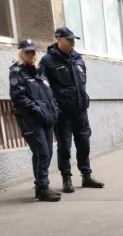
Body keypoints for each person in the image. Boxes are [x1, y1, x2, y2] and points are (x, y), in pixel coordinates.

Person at [40, 27, 105, 193]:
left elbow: (82, 82)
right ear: (58, 39)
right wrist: (54, 106)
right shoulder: (48, 61)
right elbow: (44, 87)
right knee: (65, 146)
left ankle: (86, 175)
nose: (72, 43)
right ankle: (66, 178)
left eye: (73, 40)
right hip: (62, 112)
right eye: (69, 40)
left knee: (84, 143)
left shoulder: (78, 58)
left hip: (80, 109)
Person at [9, 39, 61, 202]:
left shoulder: (39, 71)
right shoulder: (17, 71)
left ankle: (41, 186)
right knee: (41, 153)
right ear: (21, 53)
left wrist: (54, 109)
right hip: (30, 118)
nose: (31, 54)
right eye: (27, 52)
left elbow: (49, 94)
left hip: (46, 118)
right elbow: (18, 97)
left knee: (47, 153)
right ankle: (42, 188)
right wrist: (37, 110)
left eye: (33, 51)